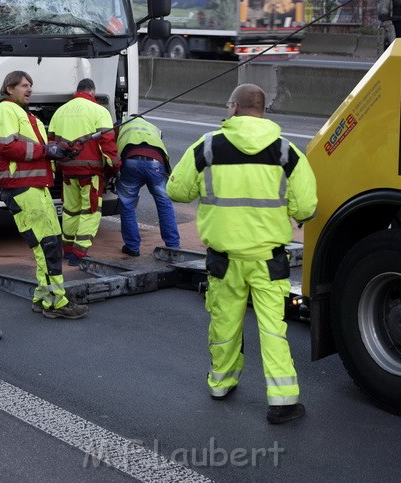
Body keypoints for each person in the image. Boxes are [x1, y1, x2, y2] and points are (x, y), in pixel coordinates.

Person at [167, 84, 317, 424]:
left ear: (233, 107)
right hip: (269, 260)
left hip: (223, 258)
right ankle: (283, 401)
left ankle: (221, 384)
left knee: (224, 323)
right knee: (273, 329)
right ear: (263, 110)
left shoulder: (207, 146)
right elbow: (307, 208)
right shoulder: (287, 151)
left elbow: (176, 189)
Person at [0, 70, 88, 320]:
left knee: (52, 241)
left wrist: (61, 151)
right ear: (9, 88)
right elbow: (6, 146)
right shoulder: (5, 110)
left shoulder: (26, 115)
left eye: (31, 85)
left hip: (36, 187)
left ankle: (43, 297)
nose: (29, 89)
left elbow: (41, 151)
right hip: (23, 188)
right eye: (24, 85)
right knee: (46, 247)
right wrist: (46, 149)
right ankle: (56, 303)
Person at [47, 78, 119, 265]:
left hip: (67, 172)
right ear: (92, 93)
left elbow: (52, 144)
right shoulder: (99, 111)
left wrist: (55, 169)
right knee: (90, 211)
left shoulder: (60, 112)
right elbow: (108, 144)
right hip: (90, 172)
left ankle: (68, 247)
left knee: (70, 210)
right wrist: (116, 166)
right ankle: (79, 253)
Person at [115, 115, 180, 257]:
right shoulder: (152, 127)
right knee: (164, 204)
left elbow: (111, 147)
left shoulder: (120, 125)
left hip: (131, 162)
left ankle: (132, 247)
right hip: (156, 163)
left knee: (127, 204)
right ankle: (173, 246)